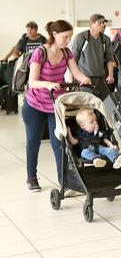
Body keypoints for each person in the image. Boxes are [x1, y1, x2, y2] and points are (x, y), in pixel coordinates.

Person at [23, 20, 91, 191]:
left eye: (70, 37)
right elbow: (32, 81)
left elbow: (76, 72)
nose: (68, 40)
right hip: (34, 105)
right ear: (54, 35)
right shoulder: (40, 52)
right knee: (33, 142)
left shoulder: (67, 52)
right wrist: (47, 84)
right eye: (65, 37)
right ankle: (31, 177)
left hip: (55, 104)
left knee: (59, 142)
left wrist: (84, 79)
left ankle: (64, 181)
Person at [69, 14, 114, 100]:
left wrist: (111, 75)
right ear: (92, 23)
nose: (103, 25)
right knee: (88, 105)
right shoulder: (81, 37)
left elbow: (109, 58)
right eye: (100, 22)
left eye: (104, 23)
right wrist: (72, 76)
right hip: (85, 79)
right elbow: (73, 58)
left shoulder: (105, 40)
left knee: (103, 104)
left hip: (101, 79)